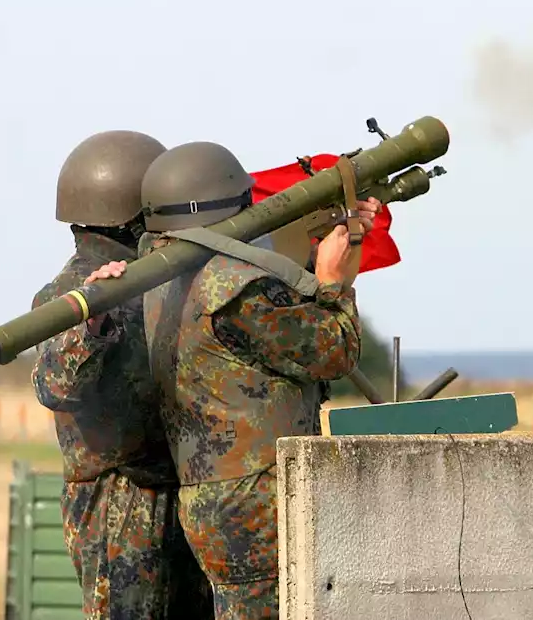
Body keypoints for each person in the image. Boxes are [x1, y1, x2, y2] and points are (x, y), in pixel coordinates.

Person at [138, 140, 375, 620]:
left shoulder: (161, 281)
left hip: (211, 497)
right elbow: (334, 350)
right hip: (257, 503)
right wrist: (333, 280)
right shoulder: (235, 288)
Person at [32, 130, 212, 619]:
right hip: (121, 501)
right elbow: (56, 385)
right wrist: (93, 319)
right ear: (135, 216)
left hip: (174, 487)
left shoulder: (155, 279)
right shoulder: (69, 294)